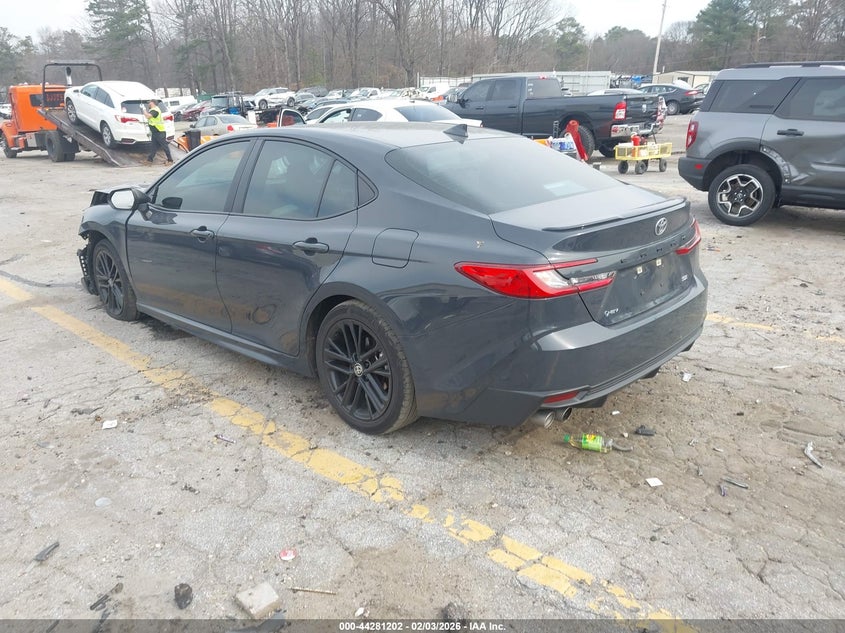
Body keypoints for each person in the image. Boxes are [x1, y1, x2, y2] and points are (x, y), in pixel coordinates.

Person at [143, 100, 173, 165]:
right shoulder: (153, 110)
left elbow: (148, 116)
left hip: (159, 131)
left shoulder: (155, 110)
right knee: (153, 146)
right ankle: (149, 160)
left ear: (152, 103)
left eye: (149, 102)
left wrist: (144, 109)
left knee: (164, 146)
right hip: (155, 132)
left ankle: (170, 160)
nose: (148, 104)